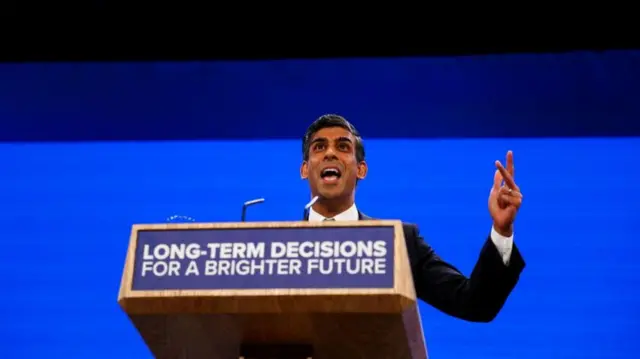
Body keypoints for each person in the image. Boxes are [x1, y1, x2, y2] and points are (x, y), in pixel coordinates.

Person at [300, 114, 525, 322]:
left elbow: (475, 304)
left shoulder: (397, 242)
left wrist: (501, 230)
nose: (330, 153)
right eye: (319, 147)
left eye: (342, 147)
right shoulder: (272, 246)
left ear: (361, 170)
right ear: (304, 169)